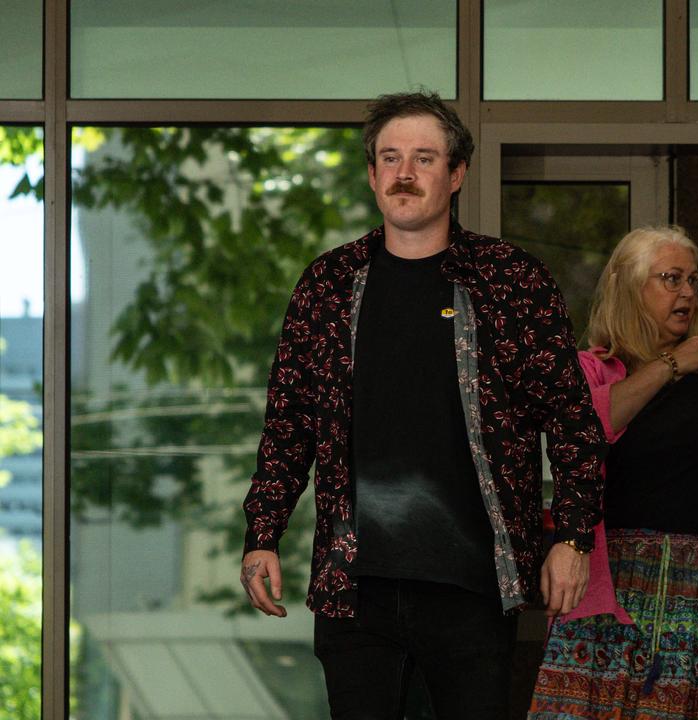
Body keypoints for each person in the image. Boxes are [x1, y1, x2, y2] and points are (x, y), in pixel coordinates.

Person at [238, 90, 607, 720]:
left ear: (457, 173)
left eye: (424, 159)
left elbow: (573, 423)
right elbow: (287, 424)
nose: (404, 174)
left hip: (472, 586)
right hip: (356, 588)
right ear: (373, 173)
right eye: (390, 158)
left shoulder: (510, 281)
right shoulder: (327, 284)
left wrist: (572, 536)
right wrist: (262, 533)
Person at [528, 225, 698, 719]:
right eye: (671, 278)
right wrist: (671, 364)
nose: (686, 292)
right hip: (615, 589)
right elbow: (590, 427)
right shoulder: (594, 369)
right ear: (630, 287)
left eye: (693, 281)